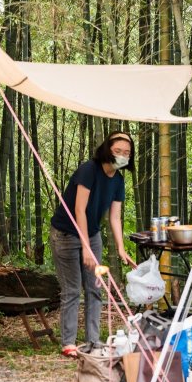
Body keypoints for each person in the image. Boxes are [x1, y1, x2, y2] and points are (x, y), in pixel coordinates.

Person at [49, 131, 138, 359]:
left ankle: (93, 340)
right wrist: (86, 247)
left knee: (95, 288)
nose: (121, 156)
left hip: (92, 234)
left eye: (126, 153)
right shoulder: (89, 170)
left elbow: (115, 217)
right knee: (72, 289)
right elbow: (79, 210)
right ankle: (68, 342)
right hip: (66, 234)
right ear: (107, 150)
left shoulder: (118, 180)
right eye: (117, 151)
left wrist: (120, 248)